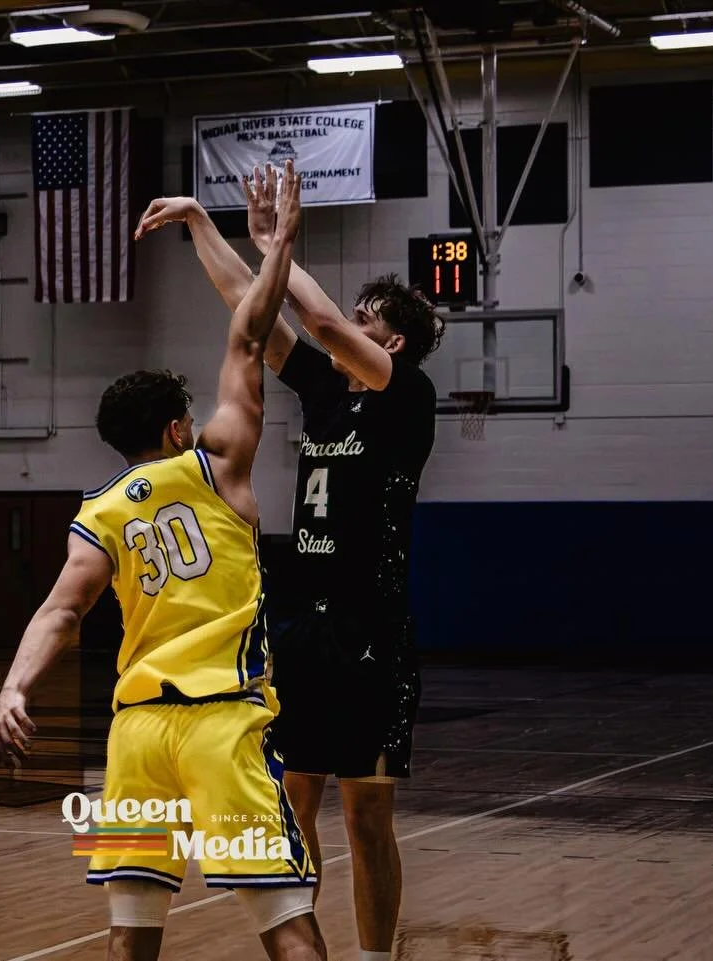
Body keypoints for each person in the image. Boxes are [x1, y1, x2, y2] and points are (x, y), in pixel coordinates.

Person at [0, 162, 324, 961]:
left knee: (130, 935)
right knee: (286, 921)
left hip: (136, 733)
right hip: (222, 723)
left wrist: (14, 685)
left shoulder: (100, 511)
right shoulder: (217, 463)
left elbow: (61, 611)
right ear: (178, 428)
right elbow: (250, 334)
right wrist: (277, 244)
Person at [135, 177, 442, 961]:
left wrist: (281, 246)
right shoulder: (323, 390)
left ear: (390, 345)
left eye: (369, 321)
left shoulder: (408, 395)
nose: (350, 325)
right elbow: (252, 306)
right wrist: (201, 223)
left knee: (366, 816)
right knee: (292, 805)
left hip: (371, 629)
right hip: (303, 626)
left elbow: (323, 320)